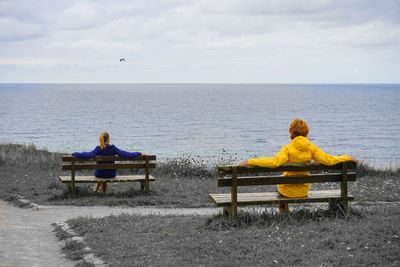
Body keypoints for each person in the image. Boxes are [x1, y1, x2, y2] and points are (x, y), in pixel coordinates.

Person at [238, 119, 358, 213]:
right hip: (303, 190)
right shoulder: (311, 148)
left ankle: (284, 213)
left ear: (291, 132)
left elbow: (274, 162)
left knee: (279, 181)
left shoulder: (287, 148)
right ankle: (285, 211)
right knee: (283, 180)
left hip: (286, 191)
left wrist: (251, 161)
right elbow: (329, 160)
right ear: (306, 132)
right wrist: (346, 157)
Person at [72, 132, 147, 193]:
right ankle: (102, 192)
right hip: (111, 174)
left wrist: (75, 153)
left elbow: (88, 155)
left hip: (99, 174)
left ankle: (98, 189)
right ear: (108, 139)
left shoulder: (98, 148)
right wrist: (139, 153)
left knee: (102, 171)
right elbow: (126, 154)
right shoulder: (113, 148)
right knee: (106, 171)